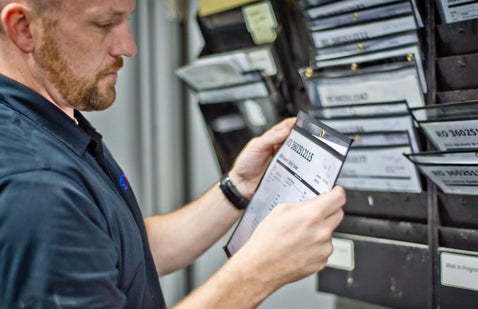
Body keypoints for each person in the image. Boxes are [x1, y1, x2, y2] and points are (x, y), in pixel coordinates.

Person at [0, 0, 346, 308]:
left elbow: (117, 249)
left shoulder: (48, 124)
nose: (129, 47)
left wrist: (236, 188)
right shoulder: (39, 186)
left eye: (127, 20)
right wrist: (260, 272)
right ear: (23, 27)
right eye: (104, 24)